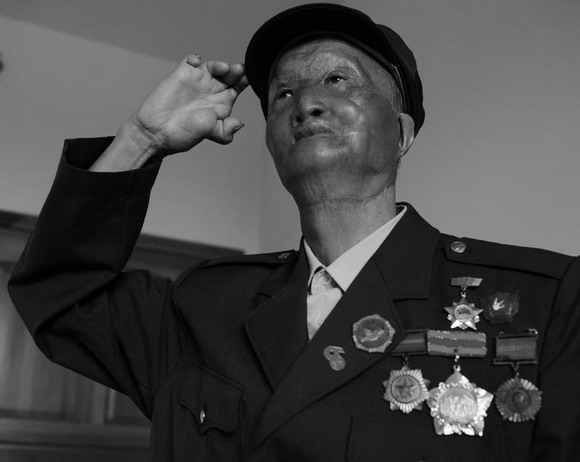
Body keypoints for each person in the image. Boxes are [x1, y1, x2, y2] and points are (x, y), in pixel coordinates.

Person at [8, 3, 580, 461]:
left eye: (338, 79)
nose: (306, 102)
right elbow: (61, 293)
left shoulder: (545, 301)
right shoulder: (204, 306)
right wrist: (142, 138)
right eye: (282, 93)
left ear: (402, 132)